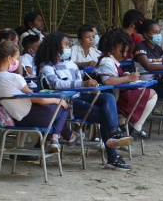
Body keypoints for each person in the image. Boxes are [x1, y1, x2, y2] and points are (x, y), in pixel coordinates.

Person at [36, 32, 133, 170]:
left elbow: (80, 82)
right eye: (65, 44)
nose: (68, 47)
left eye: (68, 44)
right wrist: (82, 85)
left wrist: (90, 88)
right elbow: (56, 84)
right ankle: (113, 155)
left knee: (108, 97)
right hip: (65, 104)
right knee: (105, 116)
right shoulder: (46, 66)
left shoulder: (71, 64)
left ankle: (114, 132)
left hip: (79, 97)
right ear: (55, 47)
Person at [0, 40, 75, 154]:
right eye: (17, 59)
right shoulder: (14, 77)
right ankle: (56, 137)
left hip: (16, 120)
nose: (17, 62)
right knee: (64, 106)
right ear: (9, 58)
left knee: (58, 107)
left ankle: (57, 137)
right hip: (32, 117)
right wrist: (57, 100)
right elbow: (39, 99)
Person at [97, 28, 157, 139]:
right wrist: (128, 78)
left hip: (118, 96)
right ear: (111, 47)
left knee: (149, 92)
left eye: (126, 52)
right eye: (121, 51)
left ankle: (126, 125)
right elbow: (107, 81)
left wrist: (125, 76)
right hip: (114, 100)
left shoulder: (113, 61)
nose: (124, 55)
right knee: (152, 93)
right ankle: (136, 127)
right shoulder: (106, 61)